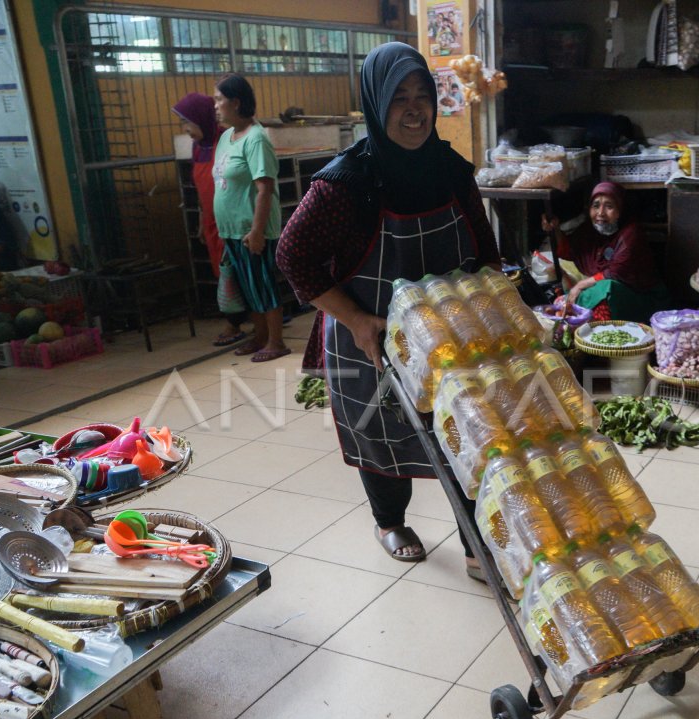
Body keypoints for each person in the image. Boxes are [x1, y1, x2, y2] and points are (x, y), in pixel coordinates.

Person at [277, 42, 500, 572]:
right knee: (379, 433)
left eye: (423, 95)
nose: (414, 109)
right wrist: (354, 319)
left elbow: (486, 252)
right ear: (376, 103)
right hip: (370, 332)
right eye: (399, 97)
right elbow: (291, 256)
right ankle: (390, 521)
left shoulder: (449, 168)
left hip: (448, 333)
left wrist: (500, 316)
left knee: (466, 435)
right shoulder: (345, 183)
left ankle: (476, 543)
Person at [212, 74, 290, 363]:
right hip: (231, 230)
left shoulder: (256, 139)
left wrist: (257, 230)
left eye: (219, 100)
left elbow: (265, 188)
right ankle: (258, 337)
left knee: (262, 285)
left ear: (236, 102)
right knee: (247, 287)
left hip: (252, 230)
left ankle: (276, 341)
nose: (216, 107)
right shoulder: (226, 137)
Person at [172, 92, 253, 348]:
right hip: (212, 222)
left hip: (234, 218)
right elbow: (201, 190)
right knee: (224, 272)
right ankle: (239, 318)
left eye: (188, 123)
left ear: (202, 118)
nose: (186, 130)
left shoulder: (227, 140)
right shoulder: (199, 148)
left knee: (244, 270)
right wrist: (200, 222)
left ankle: (242, 321)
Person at [542, 181, 670, 323]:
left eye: (609, 206)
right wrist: (555, 230)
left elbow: (614, 273)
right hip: (604, 289)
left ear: (621, 210)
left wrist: (579, 286)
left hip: (641, 297)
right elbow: (569, 251)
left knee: (606, 287)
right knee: (564, 300)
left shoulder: (631, 234)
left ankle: (600, 330)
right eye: (596, 206)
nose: (600, 213)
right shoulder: (589, 230)